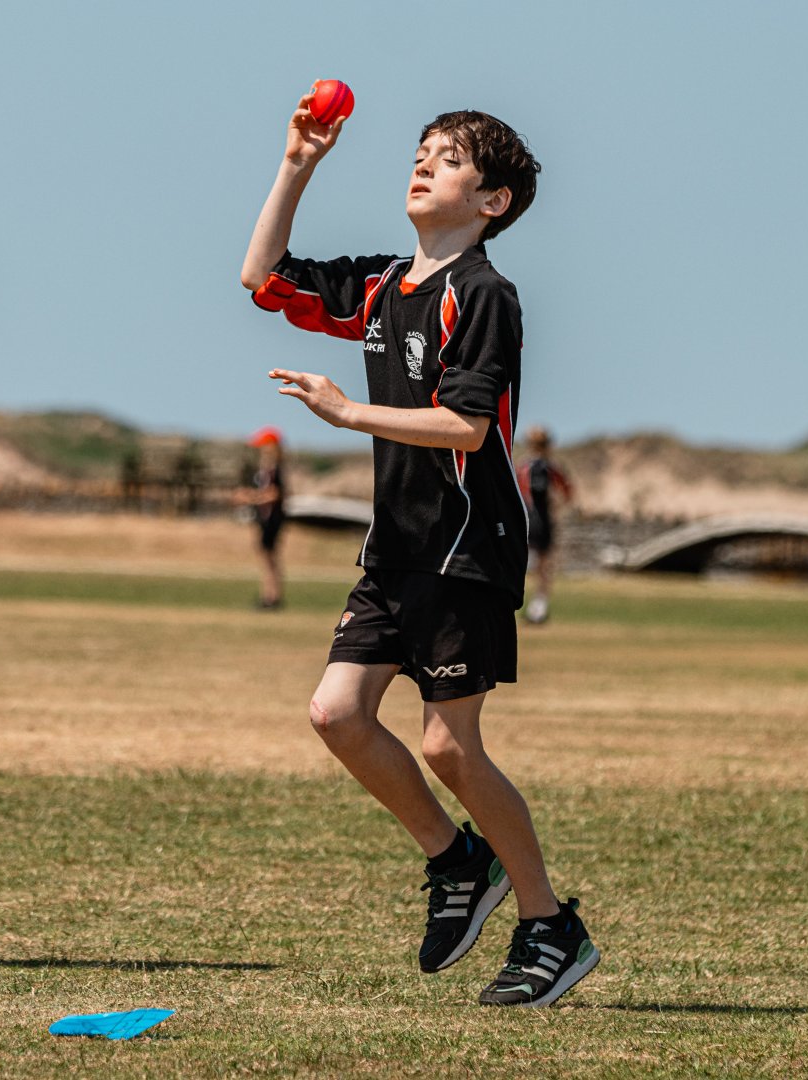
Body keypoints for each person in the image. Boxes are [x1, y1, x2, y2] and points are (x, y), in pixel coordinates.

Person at [241, 89, 598, 1007]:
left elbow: (468, 427)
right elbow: (262, 275)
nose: (424, 160)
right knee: (336, 715)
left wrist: (347, 410)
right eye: (422, 149)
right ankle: (455, 860)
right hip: (395, 550)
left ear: (493, 203)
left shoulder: (484, 294)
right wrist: (298, 162)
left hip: (466, 548)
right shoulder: (378, 286)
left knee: (449, 746)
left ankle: (550, 923)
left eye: (448, 156)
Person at [517, 426, 573, 624]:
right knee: (544, 568)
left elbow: (517, 494)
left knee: (523, 566)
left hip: (525, 522)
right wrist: (555, 507)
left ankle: (523, 605)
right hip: (544, 521)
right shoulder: (551, 468)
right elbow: (567, 492)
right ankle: (538, 607)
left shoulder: (523, 467)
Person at [235, 426, 287, 609]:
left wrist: (253, 498)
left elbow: (275, 493)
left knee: (270, 560)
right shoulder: (264, 470)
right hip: (264, 520)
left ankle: (273, 597)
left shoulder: (276, 469)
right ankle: (268, 595)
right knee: (266, 559)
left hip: (273, 520)